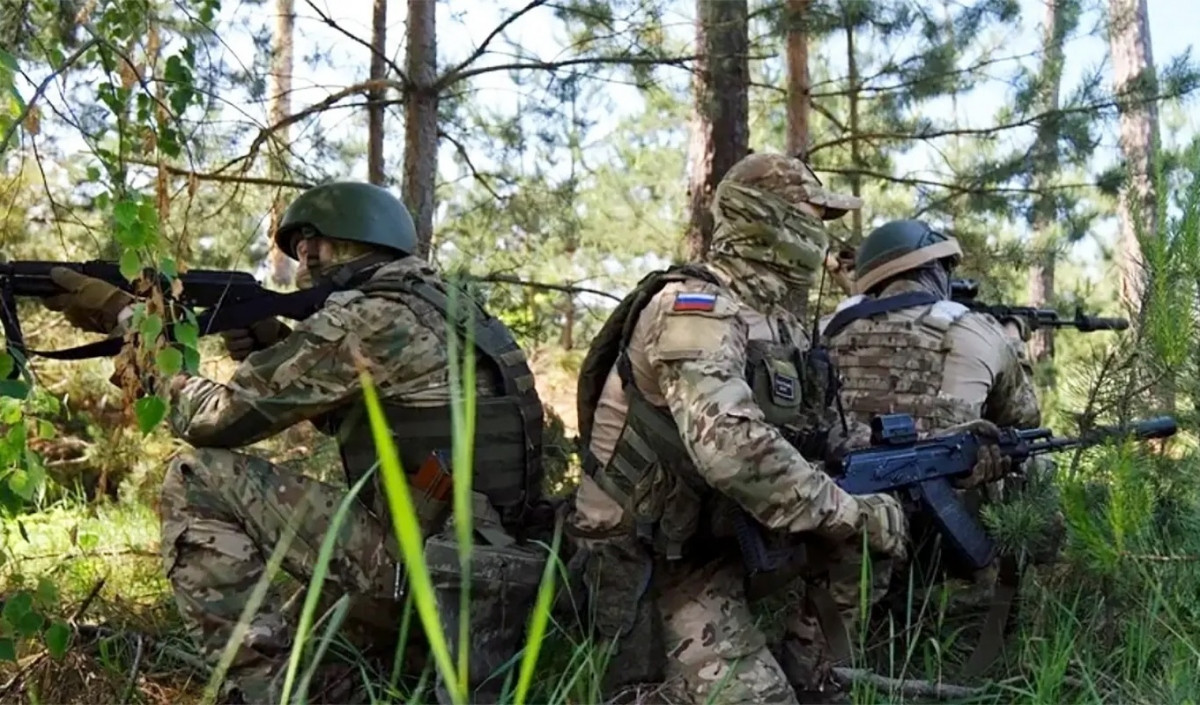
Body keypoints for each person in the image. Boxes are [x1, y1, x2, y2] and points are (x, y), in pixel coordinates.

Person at [42, 181, 550, 703]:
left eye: (310, 251)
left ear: (340, 245)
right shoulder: (445, 306)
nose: (305, 268)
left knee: (198, 477)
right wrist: (279, 345)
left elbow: (214, 420)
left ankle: (270, 692)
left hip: (423, 573)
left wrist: (129, 323)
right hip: (487, 570)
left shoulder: (369, 317)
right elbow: (378, 416)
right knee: (316, 633)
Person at [569, 152, 909, 704]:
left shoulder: (783, 324)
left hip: (722, 531)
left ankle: (815, 672)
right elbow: (729, 448)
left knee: (874, 530)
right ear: (766, 218)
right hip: (649, 555)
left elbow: (826, 437)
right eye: (811, 216)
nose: (823, 237)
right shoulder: (695, 308)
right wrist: (848, 511)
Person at [818, 218, 1046, 675]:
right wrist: (1011, 346)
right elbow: (1023, 421)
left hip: (834, 528)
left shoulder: (822, 331)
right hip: (940, 538)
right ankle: (1003, 626)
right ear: (935, 270)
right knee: (1031, 463)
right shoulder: (977, 331)